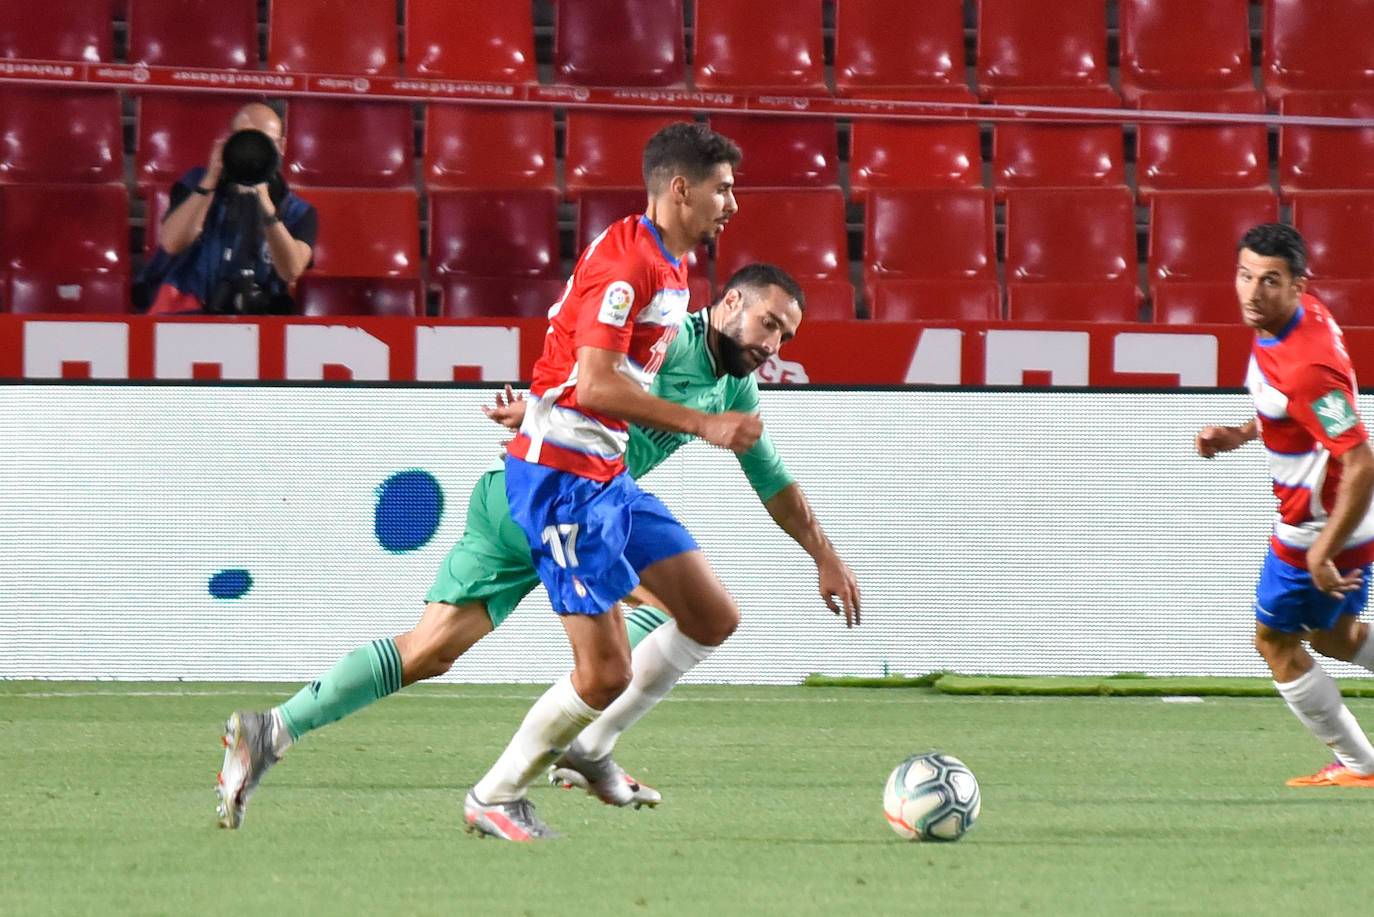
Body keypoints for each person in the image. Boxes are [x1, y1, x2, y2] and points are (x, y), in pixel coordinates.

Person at [215, 262, 862, 830]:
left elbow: (774, 481)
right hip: (557, 499)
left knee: (427, 652)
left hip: (517, 499)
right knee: (675, 612)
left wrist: (824, 553)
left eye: (785, 335)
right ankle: (570, 757)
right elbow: (594, 371)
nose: (772, 343)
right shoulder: (664, 341)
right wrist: (543, 410)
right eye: (768, 322)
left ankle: (272, 727)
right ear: (728, 305)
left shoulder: (733, 386)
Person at [1196, 222, 1374, 787]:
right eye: (1245, 275)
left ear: (1299, 284)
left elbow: (1363, 460)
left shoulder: (1308, 367)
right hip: (1349, 523)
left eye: (1269, 281)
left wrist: (1322, 549)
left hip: (1317, 526)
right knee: (1333, 637)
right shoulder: (1291, 321)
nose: (1252, 292)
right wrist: (1243, 434)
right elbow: (1289, 410)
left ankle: (1360, 766)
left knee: (1273, 641)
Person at [136, 101, 316, 315]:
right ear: (230, 142)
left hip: (259, 321)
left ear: (281, 147)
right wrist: (210, 180)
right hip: (187, 316)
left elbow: (291, 270)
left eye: (263, 142)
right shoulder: (196, 182)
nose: (253, 150)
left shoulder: (299, 211)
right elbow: (171, 243)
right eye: (245, 139)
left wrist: (266, 205)